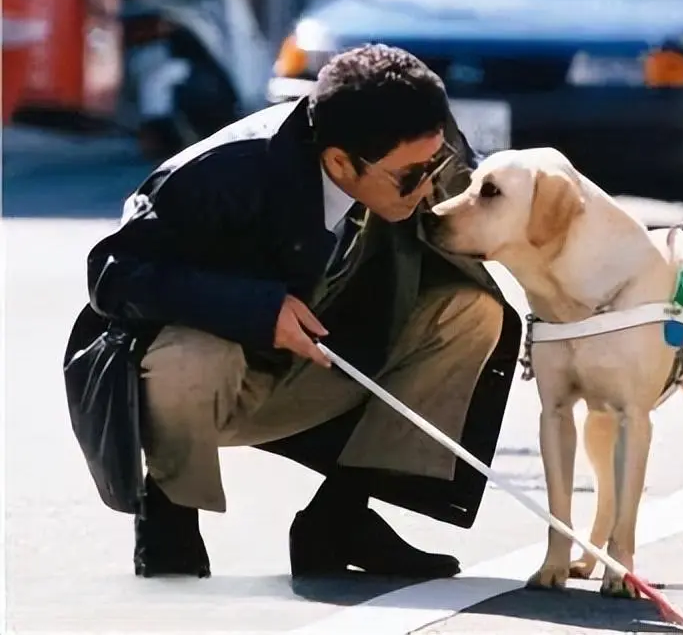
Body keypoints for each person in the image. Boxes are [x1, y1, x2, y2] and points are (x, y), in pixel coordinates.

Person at [63, 44, 521, 579]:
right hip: (219, 381)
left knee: (470, 313)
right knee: (188, 357)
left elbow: (495, 209)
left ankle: (339, 520)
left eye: (435, 164)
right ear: (340, 162)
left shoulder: (418, 142)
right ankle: (170, 519)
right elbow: (112, 273)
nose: (428, 188)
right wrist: (255, 309)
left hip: (331, 362)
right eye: (409, 176)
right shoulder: (225, 172)